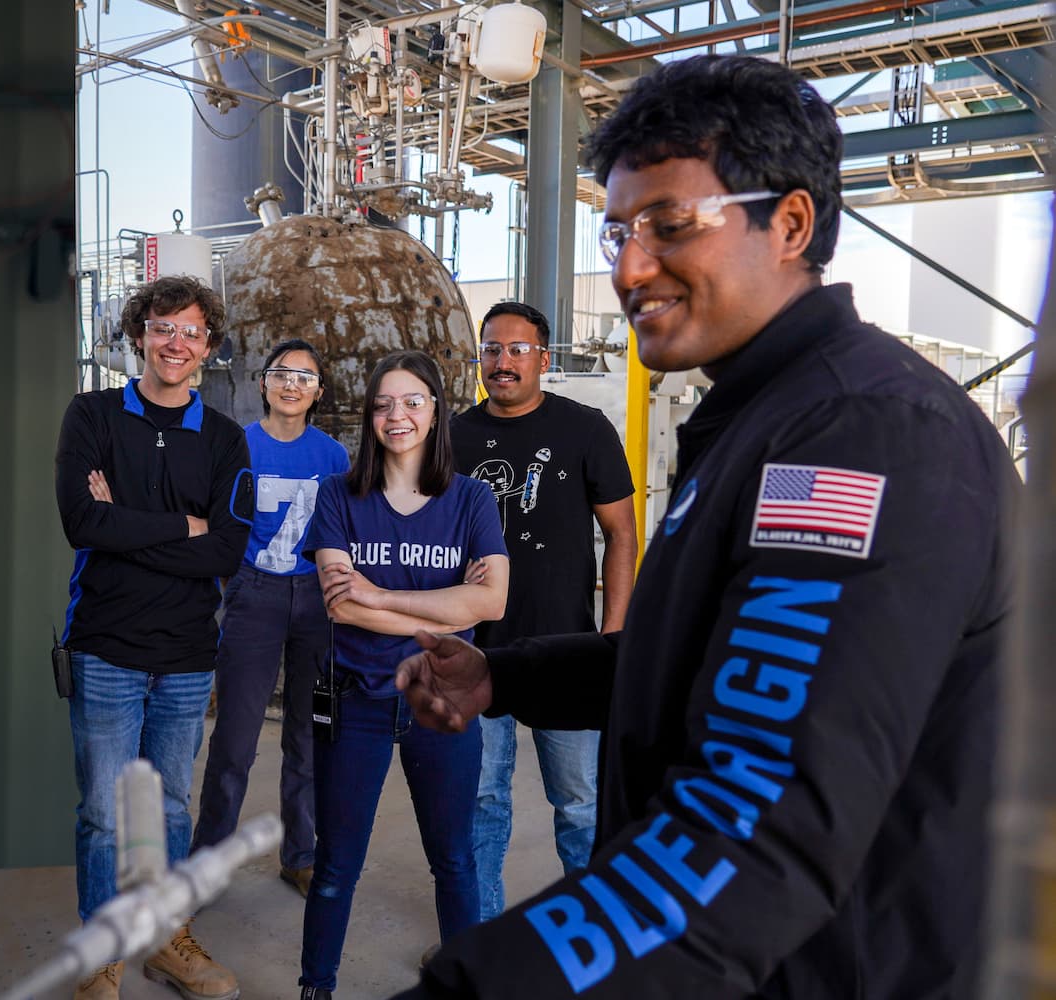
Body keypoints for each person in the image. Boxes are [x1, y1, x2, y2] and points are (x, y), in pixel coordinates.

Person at [392, 54, 1017, 999]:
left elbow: (755, 820)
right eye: (616, 233)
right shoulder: (760, 419)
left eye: (670, 225)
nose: (632, 266)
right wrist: (503, 675)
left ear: (791, 224)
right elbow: (704, 660)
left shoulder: (862, 436)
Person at [54, 274, 252, 1000]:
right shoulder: (93, 415)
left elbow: (227, 550)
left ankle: (167, 939)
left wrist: (127, 525)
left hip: (187, 653)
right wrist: (181, 525)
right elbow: (83, 524)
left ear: (209, 346)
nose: (177, 343)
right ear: (139, 334)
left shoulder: (226, 437)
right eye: (163, 328)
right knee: (106, 813)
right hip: (105, 644)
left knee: (170, 805)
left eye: (192, 331)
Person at [294, 350, 511, 1000]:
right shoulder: (340, 494)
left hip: (442, 703)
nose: (398, 415)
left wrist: (381, 598)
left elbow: (492, 603)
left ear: (436, 410)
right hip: (356, 701)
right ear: (369, 416)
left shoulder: (471, 498)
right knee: (335, 866)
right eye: (384, 403)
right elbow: (340, 603)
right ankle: (316, 988)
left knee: (455, 864)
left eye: (413, 400)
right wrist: (445, 604)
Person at [453, 301, 637, 922]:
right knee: (480, 802)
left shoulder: (585, 429)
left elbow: (621, 535)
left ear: (543, 358)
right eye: (492, 350)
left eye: (517, 350)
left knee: (581, 805)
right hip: (478, 653)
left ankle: (590, 941)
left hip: (568, 654)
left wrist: (612, 639)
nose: (502, 363)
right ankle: (479, 939)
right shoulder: (453, 436)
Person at [191, 338, 349, 897]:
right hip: (253, 594)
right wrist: (232, 584)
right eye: (281, 373)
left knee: (308, 736)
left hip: (314, 596)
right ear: (262, 382)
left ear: (318, 392)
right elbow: (215, 522)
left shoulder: (333, 457)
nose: (291, 384)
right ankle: (206, 865)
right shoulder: (237, 445)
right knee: (235, 738)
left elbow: (341, 530)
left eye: (305, 377)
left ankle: (300, 855)